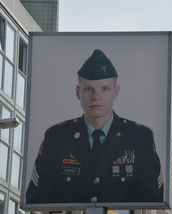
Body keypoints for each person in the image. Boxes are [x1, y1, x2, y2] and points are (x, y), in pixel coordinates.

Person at [26, 49, 163, 204]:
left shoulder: (140, 137)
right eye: (89, 89)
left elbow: (154, 199)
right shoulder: (56, 137)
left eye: (104, 89)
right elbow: (36, 199)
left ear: (116, 92)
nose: (96, 96)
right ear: (78, 92)